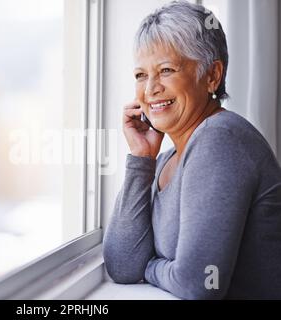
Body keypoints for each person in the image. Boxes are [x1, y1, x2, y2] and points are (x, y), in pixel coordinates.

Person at [103, 0, 281, 299]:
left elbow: (198, 285)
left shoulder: (220, 139)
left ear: (212, 75)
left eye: (167, 70)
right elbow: (122, 264)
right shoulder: (166, 158)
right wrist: (141, 159)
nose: (150, 90)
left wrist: (150, 266)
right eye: (140, 75)